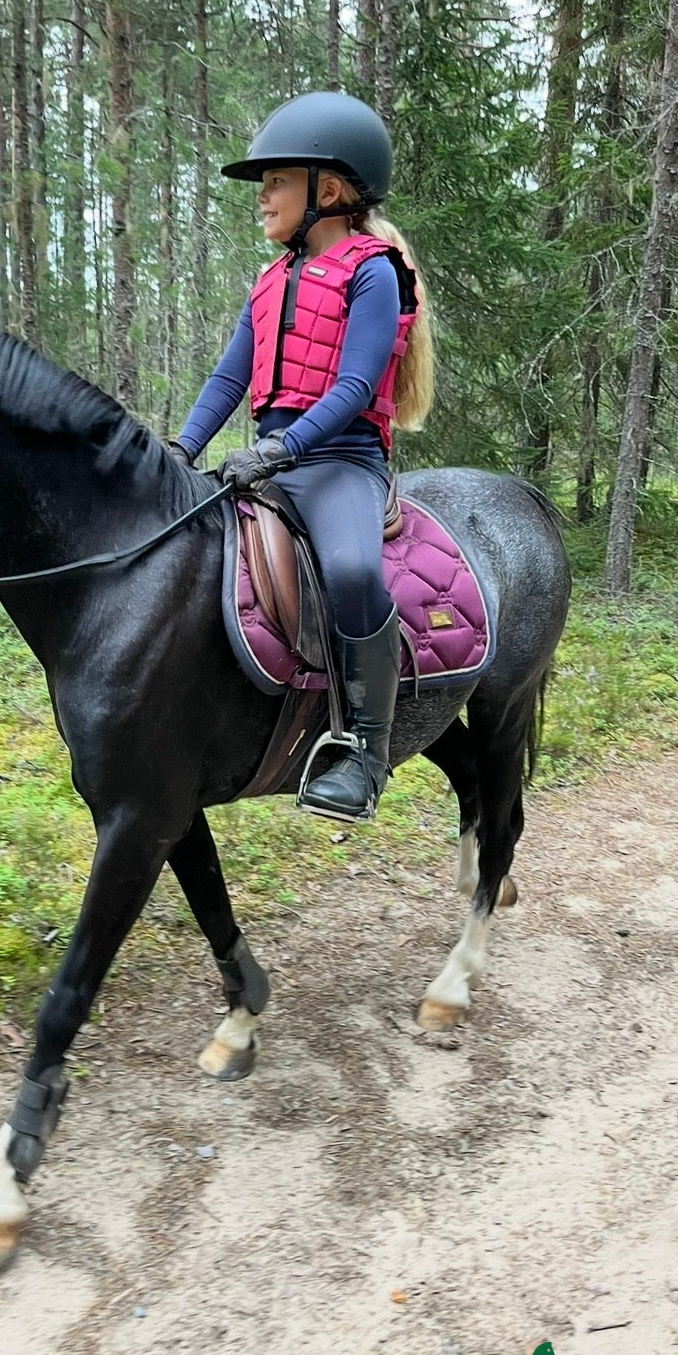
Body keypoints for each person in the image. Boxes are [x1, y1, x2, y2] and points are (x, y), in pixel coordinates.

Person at [171, 91, 434, 821]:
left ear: (330, 187)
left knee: (351, 572)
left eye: (276, 181)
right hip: (270, 458)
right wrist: (181, 449)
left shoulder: (373, 271)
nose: (263, 197)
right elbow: (229, 377)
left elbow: (354, 385)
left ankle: (365, 754)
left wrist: (284, 446)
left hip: (341, 460)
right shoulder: (269, 280)